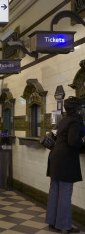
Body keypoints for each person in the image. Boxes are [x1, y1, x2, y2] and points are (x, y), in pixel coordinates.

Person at [46, 96, 84, 233]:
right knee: (65, 193)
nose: (82, 110)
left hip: (55, 157)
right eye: (81, 107)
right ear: (77, 109)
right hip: (66, 160)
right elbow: (73, 141)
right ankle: (64, 226)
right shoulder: (75, 121)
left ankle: (52, 222)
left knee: (55, 190)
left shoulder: (64, 120)